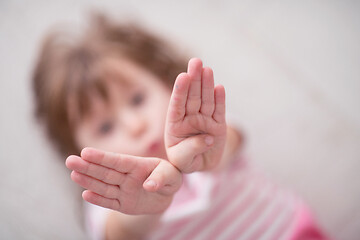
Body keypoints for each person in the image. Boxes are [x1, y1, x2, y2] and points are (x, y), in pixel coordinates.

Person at [32, 13, 328, 240]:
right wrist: (146, 206)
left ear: (164, 81)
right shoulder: (109, 195)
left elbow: (231, 140)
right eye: (106, 127)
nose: (135, 125)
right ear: (80, 149)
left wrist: (209, 154)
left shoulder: (205, 126)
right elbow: (120, 233)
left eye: (137, 99)